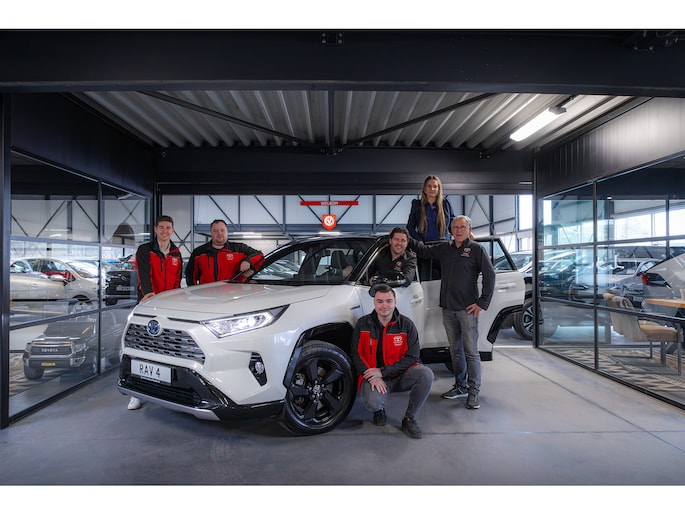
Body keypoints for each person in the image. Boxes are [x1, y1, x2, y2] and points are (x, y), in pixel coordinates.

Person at [408, 215, 495, 410]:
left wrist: (482, 302)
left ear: (469, 229)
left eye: (462, 227)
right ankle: (460, 386)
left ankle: (474, 392)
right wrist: (407, 236)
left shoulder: (476, 249)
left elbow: (490, 276)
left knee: (471, 352)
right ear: (451, 230)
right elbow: (423, 251)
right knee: (455, 351)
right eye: (455, 227)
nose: (458, 230)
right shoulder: (445, 248)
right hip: (448, 309)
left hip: (467, 310)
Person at [349, 283, 434, 439]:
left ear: (395, 302)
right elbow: (356, 354)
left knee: (426, 374)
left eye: (388, 301)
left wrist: (383, 372)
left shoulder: (406, 325)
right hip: (373, 377)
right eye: (380, 301)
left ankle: (409, 418)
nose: (384, 306)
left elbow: (413, 357)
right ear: (374, 302)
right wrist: (371, 375)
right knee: (373, 402)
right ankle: (379, 410)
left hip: (400, 375)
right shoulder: (363, 324)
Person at [129, 214, 184, 410]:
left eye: (168, 228)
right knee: (143, 348)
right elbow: (144, 275)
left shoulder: (176, 253)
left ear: (173, 230)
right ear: (155, 229)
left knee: (166, 349)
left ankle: (167, 389)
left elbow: (177, 281)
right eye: (161, 227)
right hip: (149, 303)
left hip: (169, 307)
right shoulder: (145, 250)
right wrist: (149, 296)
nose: (164, 231)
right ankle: (136, 394)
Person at [185, 219, 264, 285]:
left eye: (222, 230)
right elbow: (190, 275)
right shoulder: (199, 253)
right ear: (211, 233)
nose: (219, 233)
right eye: (215, 231)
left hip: (232, 295)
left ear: (227, 232)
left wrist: (248, 261)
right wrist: (193, 293)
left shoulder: (239, 249)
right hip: (206, 296)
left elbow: (260, 256)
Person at [406, 175, 455, 243]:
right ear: (424, 189)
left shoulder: (446, 204)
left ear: (438, 189)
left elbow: (453, 225)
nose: (432, 189)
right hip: (424, 245)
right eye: (429, 186)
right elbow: (410, 227)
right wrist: (419, 241)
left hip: (444, 245)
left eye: (435, 186)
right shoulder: (417, 205)